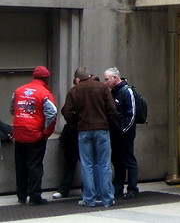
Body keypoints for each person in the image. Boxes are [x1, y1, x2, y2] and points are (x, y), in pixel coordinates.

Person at [62, 67, 117, 208]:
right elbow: (112, 109)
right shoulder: (102, 88)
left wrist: (76, 124)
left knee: (87, 165)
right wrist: (107, 122)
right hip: (102, 129)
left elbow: (67, 112)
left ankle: (89, 198)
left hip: (84, 130)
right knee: (104, 164)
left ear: (78, 79)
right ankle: (107, 198)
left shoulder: (74, 90)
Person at [10, 66, 57, 205]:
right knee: (34, 165)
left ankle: (21, 195)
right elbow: (52, 113)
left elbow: (12, 108)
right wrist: (45, 132)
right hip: (35, 133)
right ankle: (35, 196)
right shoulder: (45, 93)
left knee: (21, 165)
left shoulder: (19, 90)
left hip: (19, 132)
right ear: (46, 78)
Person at [105, 67, 139, 199]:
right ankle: (118, 187)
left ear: (115, 78)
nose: (105, 82)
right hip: (116, 133)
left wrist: (124, 130)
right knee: (117, 160)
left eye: (107, 79)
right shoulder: (113, 92)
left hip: (125, 134)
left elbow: (132, 114)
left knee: (129, 160)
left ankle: (132, 188)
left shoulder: (126, 92)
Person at [53, 72, 83, 199]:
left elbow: (65, 111)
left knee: (71, 162)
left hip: (75, 130)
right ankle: (87, 189)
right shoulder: (79, 92)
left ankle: (65, 188)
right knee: (85, 162)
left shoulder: (74, 92)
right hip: (80, 130)